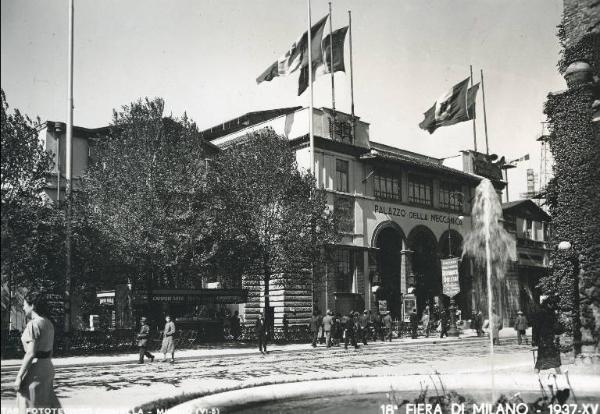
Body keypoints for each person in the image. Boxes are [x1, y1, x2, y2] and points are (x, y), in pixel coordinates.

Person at [14, 291, 62, 412]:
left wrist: (19, 376)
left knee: (27, 402)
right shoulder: (49, 323)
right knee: (46, 405)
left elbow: (30, 353)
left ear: (32, 306)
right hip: (48, 367)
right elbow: (50, 351)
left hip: (35, 369)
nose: (23, 308)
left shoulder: (33, 325)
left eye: (25, 305)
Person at [532, 296, 562, 374]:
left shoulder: (551, 313)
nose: (553, 306)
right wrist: (534, 339)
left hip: (550, 338)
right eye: (552, 304)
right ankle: (536, 373)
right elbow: (535, 327)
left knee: (552, 356)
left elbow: (555, 326)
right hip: (543, 338)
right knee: (543, 357)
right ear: (548, 304)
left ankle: (559, 373)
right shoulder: (540, 313)